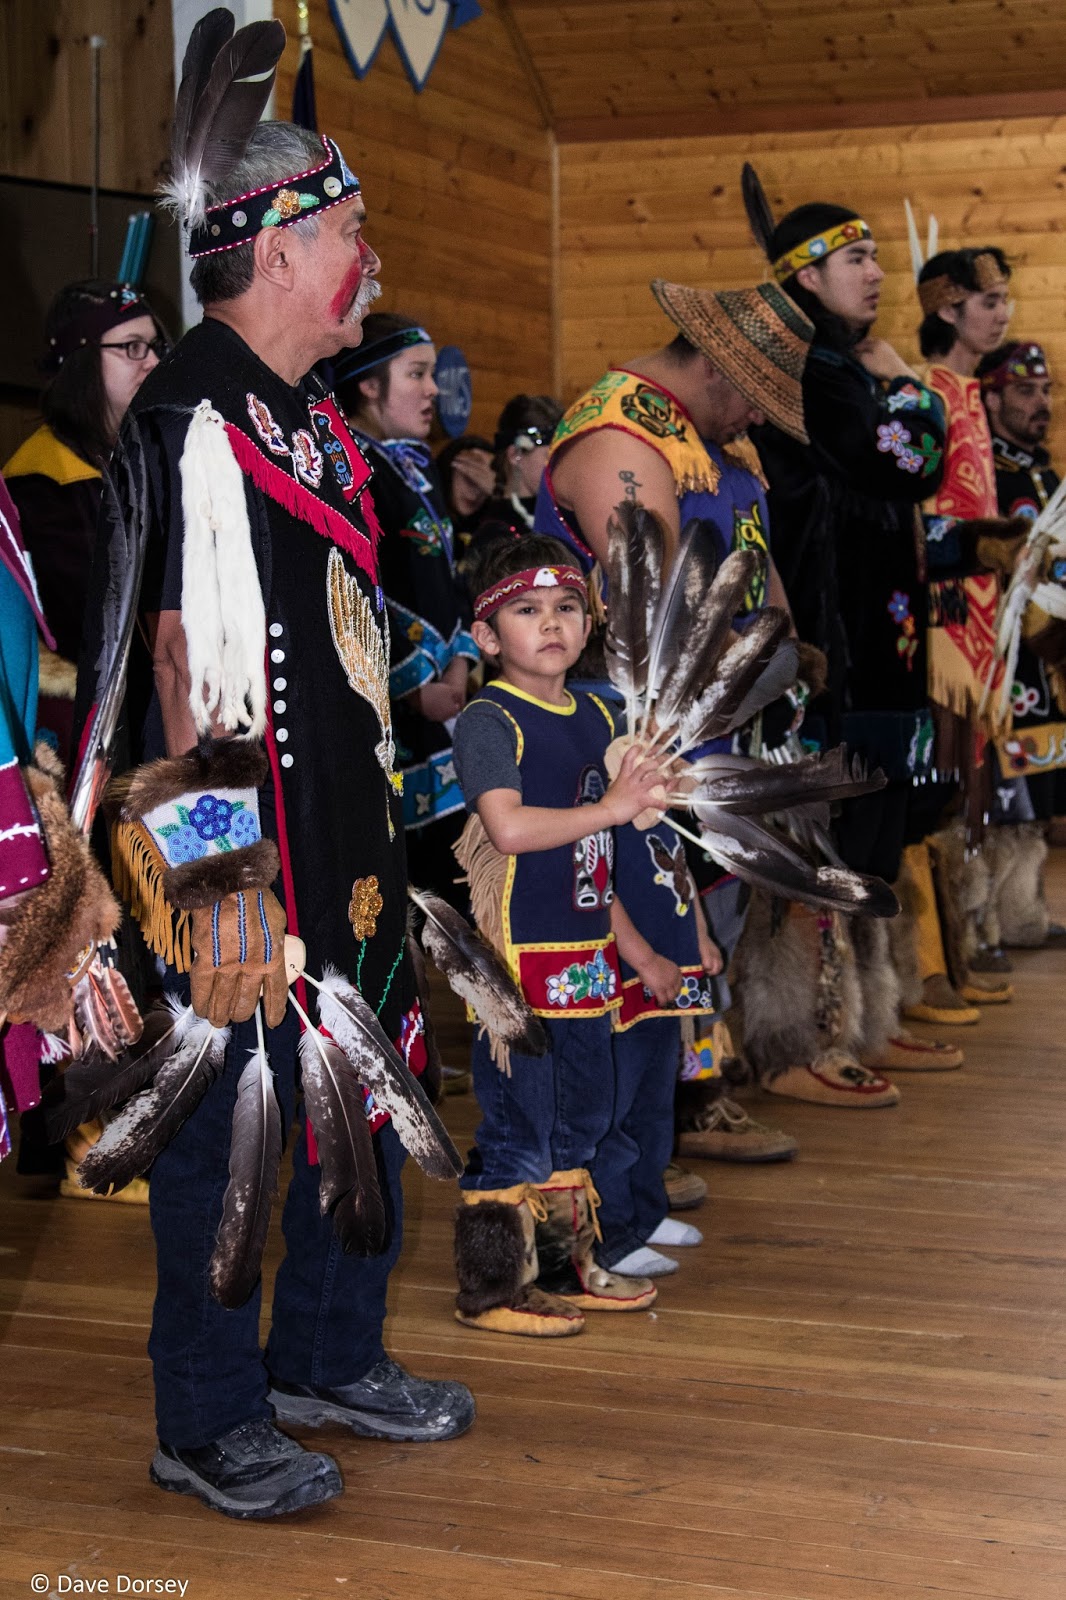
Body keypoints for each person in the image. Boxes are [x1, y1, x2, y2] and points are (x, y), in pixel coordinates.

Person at [78, 13, 473, 1521]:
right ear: (286, 242)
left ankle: (326, 1356)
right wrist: (219, 890)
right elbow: (177, 661)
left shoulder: (307, 414)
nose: (367, 255)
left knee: (356, 1092)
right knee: (236, 1121)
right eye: (353, 229)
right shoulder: (192, 411)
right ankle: (207, 1416)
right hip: (241, 854)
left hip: (348, 838)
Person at [536, 275, 830, 1135]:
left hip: (725, 704)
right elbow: (652, 603)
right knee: (663, 902)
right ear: (714, 365)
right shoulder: (618, 439)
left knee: (717, 898)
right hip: (647, 721)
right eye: (756, 398)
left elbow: (755, 557)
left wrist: (787, 656)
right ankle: (650, 1114)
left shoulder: (714, 440)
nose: (761, 421)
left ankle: (693, 1091)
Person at [739, 179, 966, 1091]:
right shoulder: (815, 369)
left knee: (873, 823)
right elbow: (904, 460)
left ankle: (867, 1018)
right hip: (829, 633)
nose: (877, 275)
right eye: (858, 260)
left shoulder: (839, 365)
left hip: (875, 633)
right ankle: (807, 1037)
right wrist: (912, 390)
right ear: (806, 276)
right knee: (823, 838)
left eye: (874, 256)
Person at [450, 533, 675, 1335]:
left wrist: (637, 949)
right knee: (520, 1124)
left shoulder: (597, 715)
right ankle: (489, 1287)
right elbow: (508, 830)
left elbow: (596, 860)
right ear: (485, 637)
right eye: (526, 610)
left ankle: (563, 1266)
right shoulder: (488, 718)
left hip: (584, 956)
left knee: (583, 1115)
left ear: (590, 623)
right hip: (512, 963)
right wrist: (613, 808)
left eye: (568, 608)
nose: (551, 624)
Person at [334, 313, 478, 905]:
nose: (433, 389)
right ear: (368, 384)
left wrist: (462, 662)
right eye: (416, 374)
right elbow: (354, 585)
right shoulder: (353, 469)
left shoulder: (416, 468)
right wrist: (415, 682)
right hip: (397, 705)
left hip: (444, 695)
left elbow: (443, 585)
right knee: (411, 889)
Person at [4, 281, 167, 760]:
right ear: (80, 365)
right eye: (132, 348)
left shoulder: (133, 456)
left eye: (155, 346)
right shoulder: (40, 485)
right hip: (84, 733)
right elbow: (87, 625)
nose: (153, 362)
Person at [976, 341, 1066, 947]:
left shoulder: (1047, 473)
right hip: (999, 657)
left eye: (1047, 390)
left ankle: (1025, 913)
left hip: (1047, 652)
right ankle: (990, 924)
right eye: (1026, 391)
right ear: (991, 396)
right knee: (1004, 795)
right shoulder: (987, 475)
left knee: (1038, 788)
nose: (1042, 403)